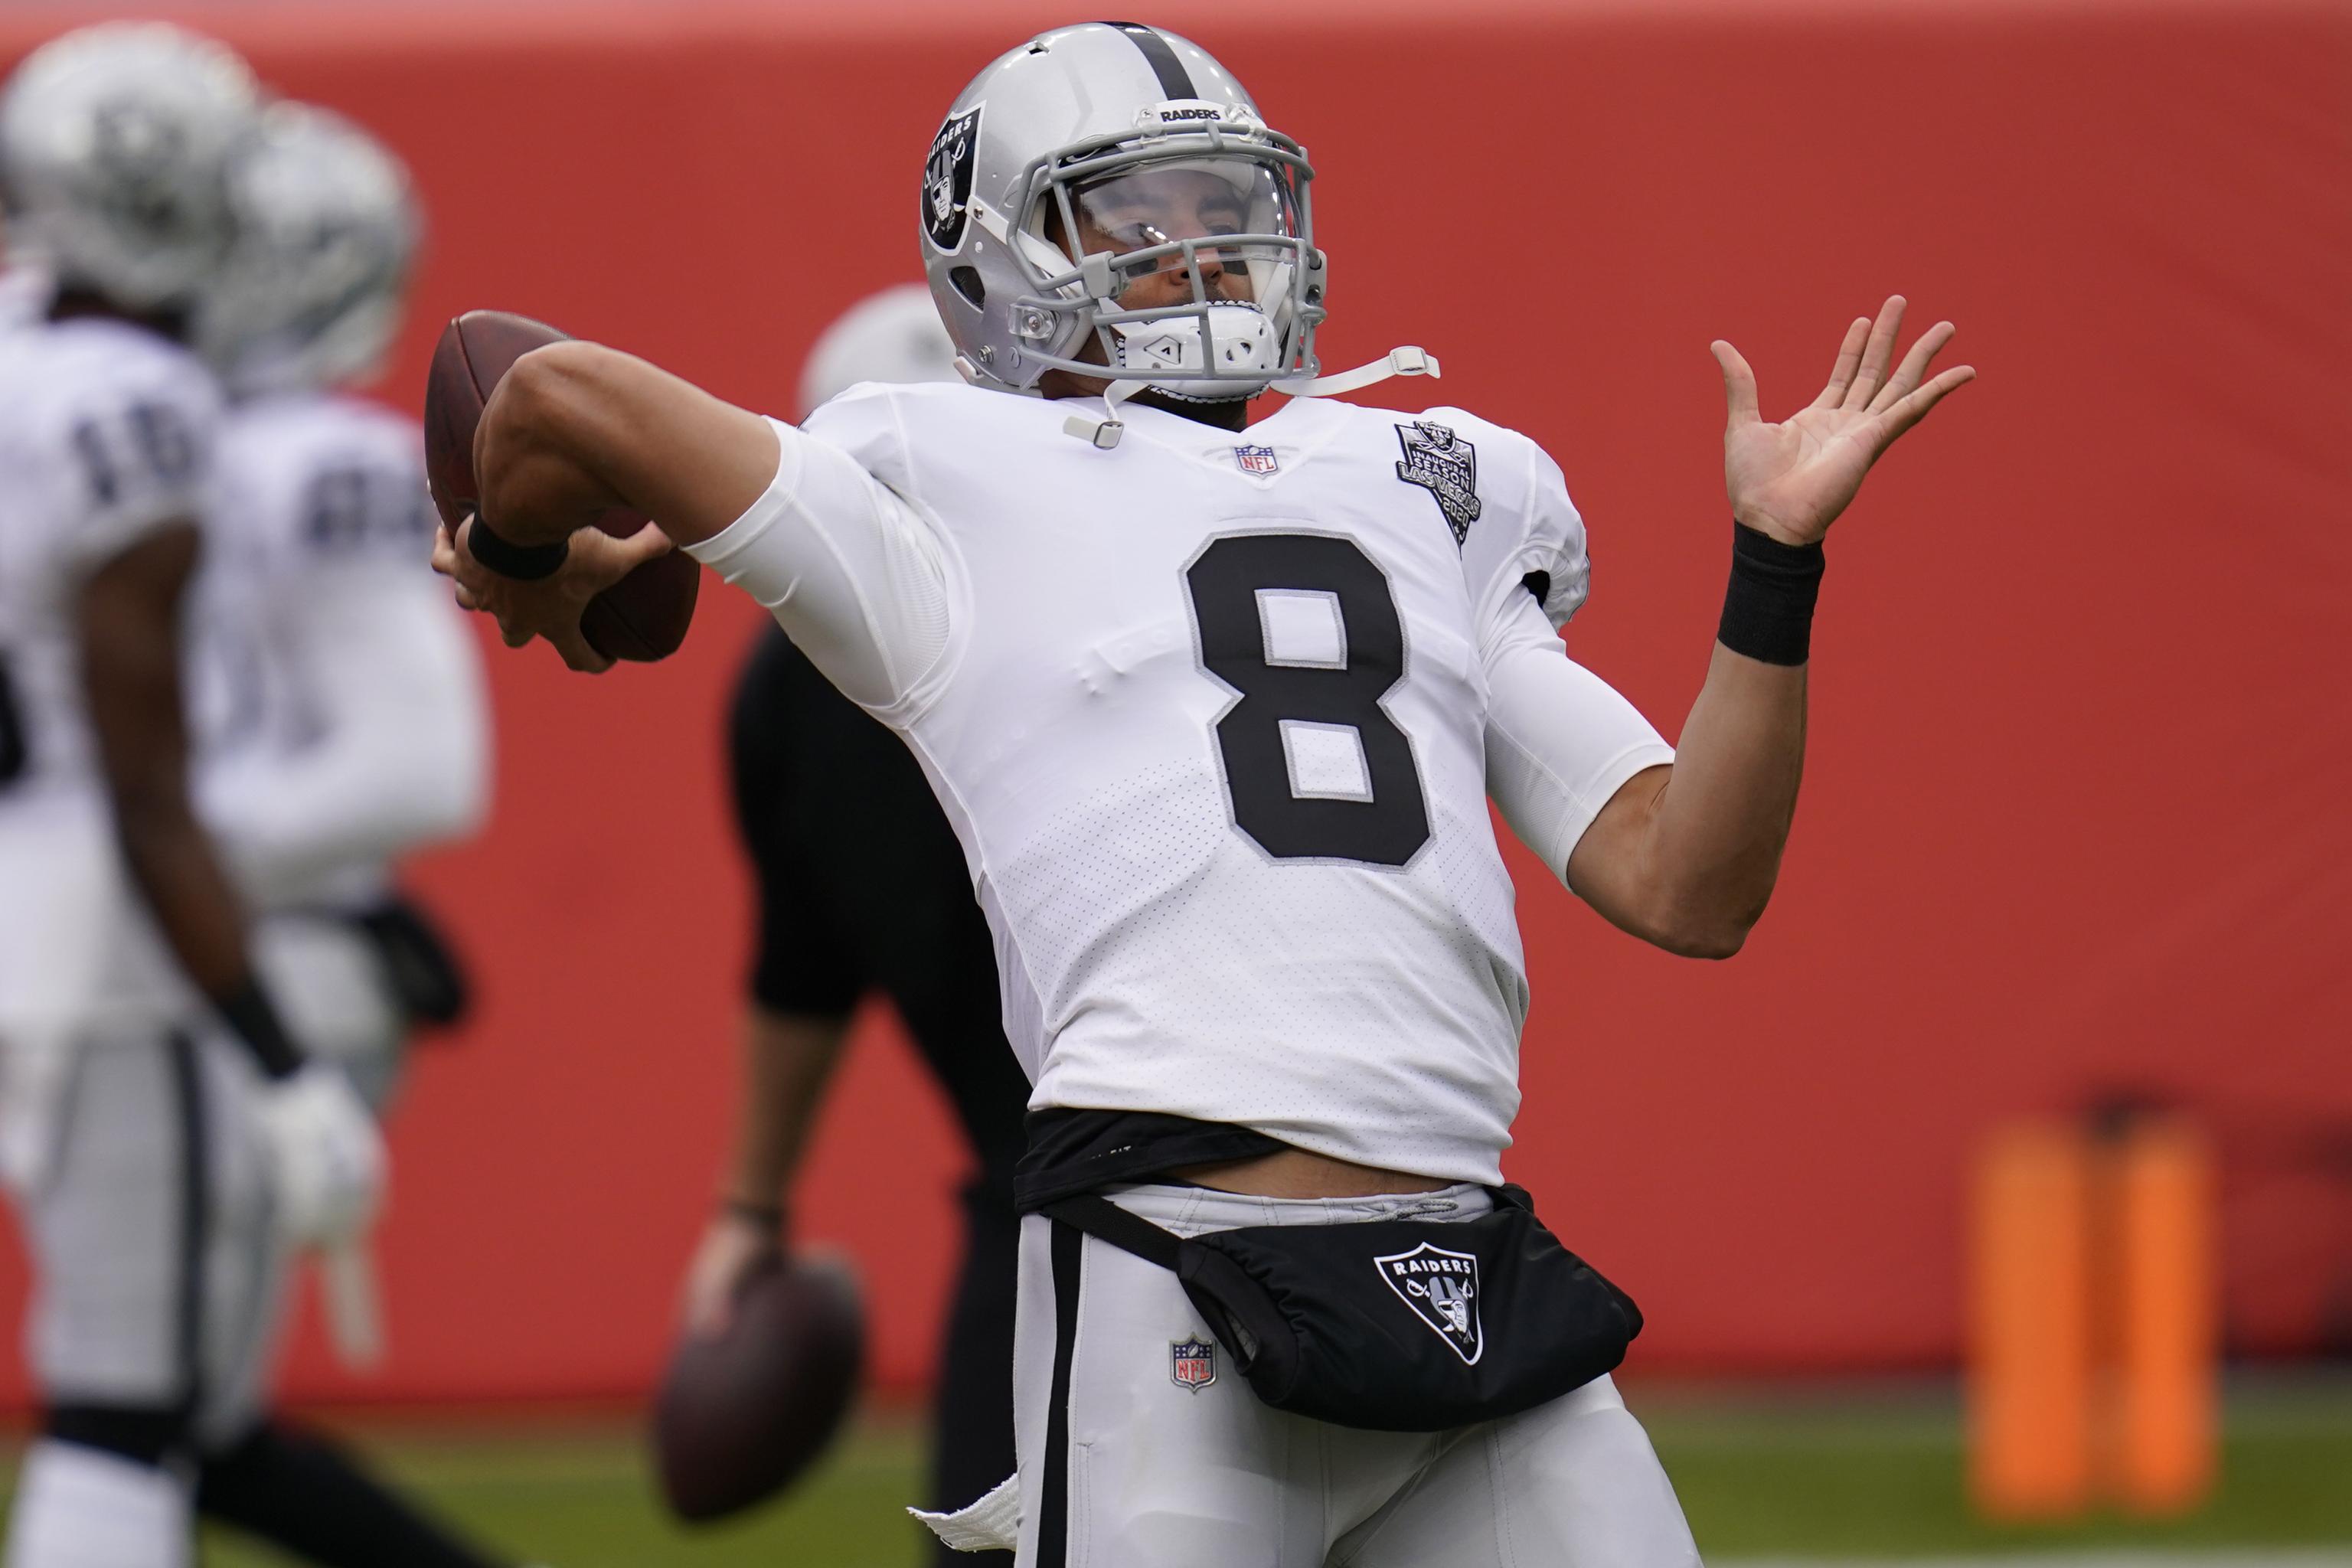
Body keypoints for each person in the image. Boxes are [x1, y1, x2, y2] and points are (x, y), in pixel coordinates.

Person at [431, 21, 1972, 1566]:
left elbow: (1689, 883)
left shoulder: (1428, 484)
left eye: (1223, 200)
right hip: (1174, 1267)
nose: (1203, 247)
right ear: (996, 255)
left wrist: (1775, 568)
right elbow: (557, 397)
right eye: (1138, 214)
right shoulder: (941, 481)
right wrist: (522, 564)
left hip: (1462, 1274)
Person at [0, 35, 498, 1568]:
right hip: (134, 943)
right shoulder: (146, 412)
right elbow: (154, 783)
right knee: (136, 1404)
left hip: (49, 905)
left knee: (152, 1399)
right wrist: (277, 1056)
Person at [181, 101, 518, 1568]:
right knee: (169, 1410)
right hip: (189, 946)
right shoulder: (143, 434)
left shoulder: (312, 459)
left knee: (160, 1409)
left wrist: (131, 873)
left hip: (259, 955)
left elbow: (419, 769)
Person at [675, 280, 1024, 1563]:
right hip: (1051, 1192)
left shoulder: (1105, 640)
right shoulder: (794, 701)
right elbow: (804, 958)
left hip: (1212, 1175)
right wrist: (750, 1209)